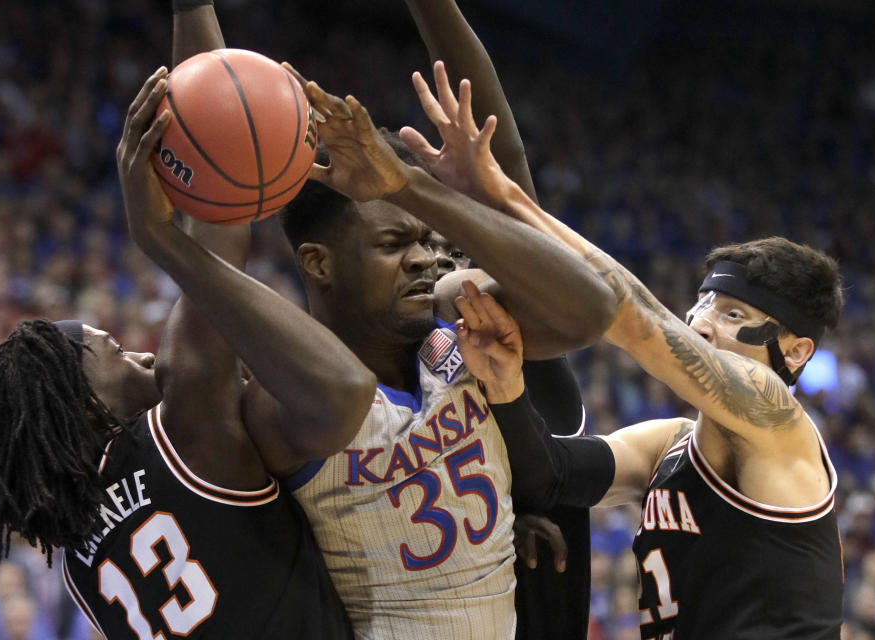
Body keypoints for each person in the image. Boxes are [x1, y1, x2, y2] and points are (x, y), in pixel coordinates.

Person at [0, 7, 373, 634]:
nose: (143, 356)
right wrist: (159, 239)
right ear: (86, 410)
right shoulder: (177, 429)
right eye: (115, 354)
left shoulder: (78, 559)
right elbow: (220, 199)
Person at [420, 95, 845, 636]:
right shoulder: (666, 445)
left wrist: (501, 196)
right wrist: (507, 388)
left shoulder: (776, 417)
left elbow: (637, 319)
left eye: (733, 313)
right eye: (703, 303)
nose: (700, 323)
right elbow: (548, 475)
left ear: (796, 351)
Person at [252, 54, 617, 636]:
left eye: (432, 240)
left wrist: (500, 516)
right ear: (319, 263)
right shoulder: (293, 398)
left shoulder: (469, 335)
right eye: (397, 242)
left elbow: (594, 305)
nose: (426, 259)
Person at [401, 3, 595, 636]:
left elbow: (504, 160)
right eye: (423, 246)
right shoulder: (391, 354)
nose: (441, 261)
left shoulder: (520, 330)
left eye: (461, 247)